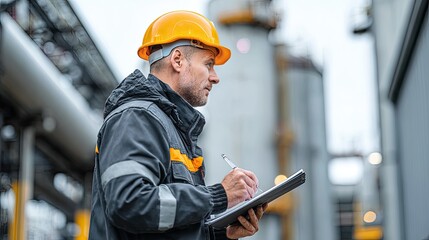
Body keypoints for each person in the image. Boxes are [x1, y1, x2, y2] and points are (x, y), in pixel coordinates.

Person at [89, 10, 267, 240]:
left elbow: (165, 226)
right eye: (209, 64)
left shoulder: (172, 129)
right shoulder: (137, 117)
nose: (215, 77)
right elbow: (129, 203)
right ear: (178, 60)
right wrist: (219, 196)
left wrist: (222, 234)